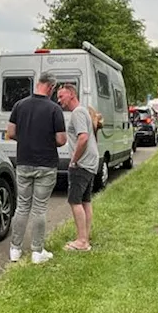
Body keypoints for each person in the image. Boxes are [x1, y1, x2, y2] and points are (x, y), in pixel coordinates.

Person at [5, 71, 67, 264]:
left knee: (22, 206)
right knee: (39, 208)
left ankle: (15, 249)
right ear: (51, 87)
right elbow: (61, 139)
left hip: (23, 162)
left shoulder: (19, 105)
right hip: (46, 164)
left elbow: (10, 132)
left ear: (38, 84)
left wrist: (25, 139)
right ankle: (37, 251)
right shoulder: (54, 109)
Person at [57, 83, 99, 252]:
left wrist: (74, 160)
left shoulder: (77, 113)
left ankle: (82, 241)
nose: (59, 100)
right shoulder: (82, 112)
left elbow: (83, 138)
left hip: (82, 164)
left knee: (75, 201)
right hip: (90, 163)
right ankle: (85, 237)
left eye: (62, 96)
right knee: (85, 201)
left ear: (72, 95)